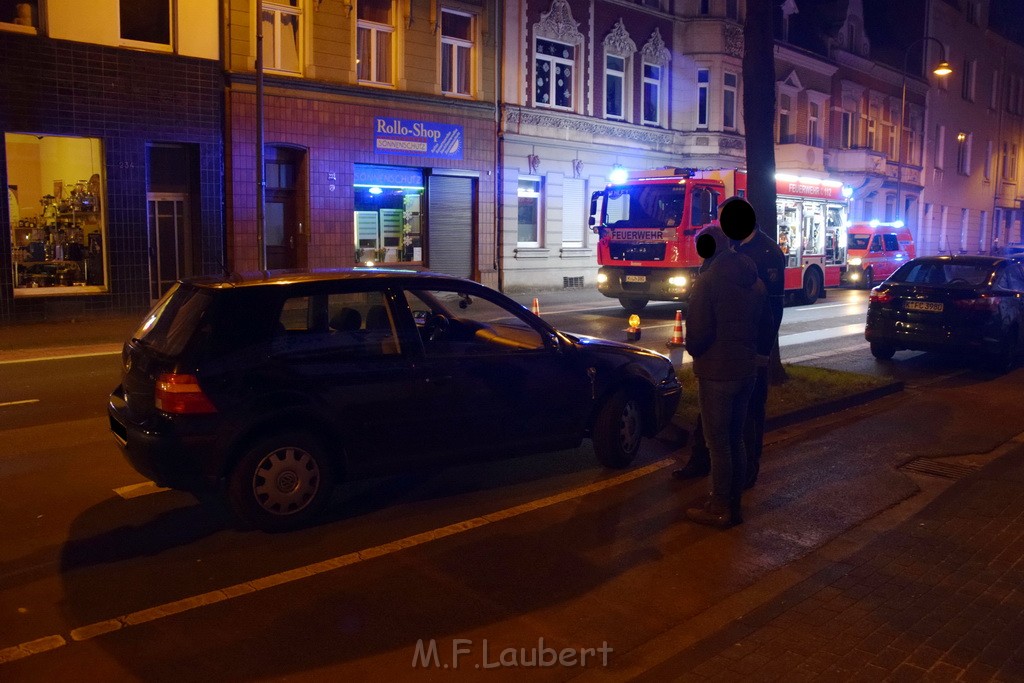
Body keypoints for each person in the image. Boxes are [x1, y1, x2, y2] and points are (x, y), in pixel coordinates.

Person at [673, 197, 784, 488]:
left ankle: (744, 475)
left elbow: (771, 312)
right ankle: (701, 463)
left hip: (746, 354)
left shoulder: (767, 252)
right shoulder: (727, 249)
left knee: (747, 419)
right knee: (713, 420)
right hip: (722, 355)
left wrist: (762, 353)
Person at [683, 223, 773, 528]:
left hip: (717, 372)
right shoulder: (754, 279)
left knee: (718, 443)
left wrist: (696, 350)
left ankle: (719, 506)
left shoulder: (707, 282)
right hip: (745, 370)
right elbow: (766, 323)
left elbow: (697, 333)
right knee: (736, 439)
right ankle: (733, 504)